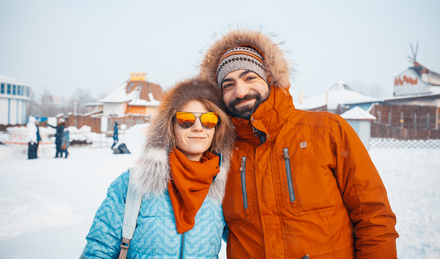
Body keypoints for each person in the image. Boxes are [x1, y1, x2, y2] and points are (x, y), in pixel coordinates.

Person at [199, 28, 399, 258]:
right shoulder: (220, 153)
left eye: (250, 77)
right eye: (228, 84)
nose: (241, 91)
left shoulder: (327, 131)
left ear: (270, 78)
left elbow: (373, 216)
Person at [83, 78, 235, 258]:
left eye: (209, 120)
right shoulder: (132, 185)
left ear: (217, 128)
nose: (198, 128)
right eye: (185, 120)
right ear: (169, 127)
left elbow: (250, 241)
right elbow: (98, 251)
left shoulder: (225, 189)